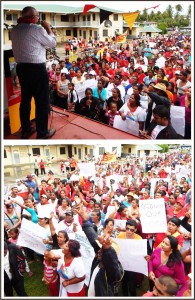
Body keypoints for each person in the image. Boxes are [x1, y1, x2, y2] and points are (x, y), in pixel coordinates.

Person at [10, 6, 56, 139]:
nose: (38, 18)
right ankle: (42, 133)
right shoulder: (37, 29)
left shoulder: (14, 29)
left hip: (22, 69)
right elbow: (52, 43)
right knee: (41, 102)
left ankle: (25, 130)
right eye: (37, 16)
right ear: (32, 17)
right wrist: (48, 28)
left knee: (25, 99)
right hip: (36, 69)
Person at [74, 206, 124, 296]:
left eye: (103, 251)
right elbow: (93, 238)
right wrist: (85, 221)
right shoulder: (99, 258)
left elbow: (116, 272)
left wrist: (107, 249)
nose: (99, 252)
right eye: (100, 249)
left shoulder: (113, 269)